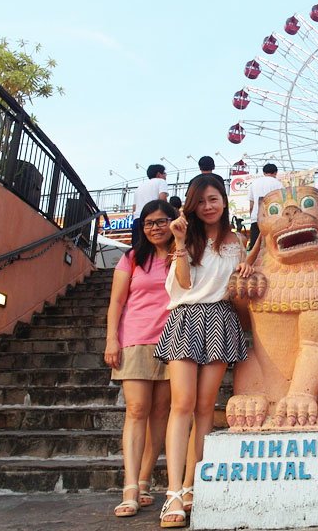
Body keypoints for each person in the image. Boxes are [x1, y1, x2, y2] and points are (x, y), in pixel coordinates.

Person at [154, 176, 252, 528]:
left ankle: (194, 484)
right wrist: (179, 241)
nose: (208, 206)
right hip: (186, 317)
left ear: (224, 201)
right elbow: (181, 283)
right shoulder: (186, 238)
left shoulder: (238, 242)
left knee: (205, 408)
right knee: (181, 405)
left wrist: (246, 270)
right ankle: (174, 492)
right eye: (201, 201)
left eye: (214, 199)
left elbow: (240, 286)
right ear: (192, 206)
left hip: (221, 319)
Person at [105, 200, 177, 517]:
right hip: (135, 339)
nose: (155, 227)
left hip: (174, 341)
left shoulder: (183, 256)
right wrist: (112, 339)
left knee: (161, 413)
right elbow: (116, 302)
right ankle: (130, 486)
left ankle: (146, 478)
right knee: (136, 410)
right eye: (149, 223)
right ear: (142, 227)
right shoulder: (132, 258)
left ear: (173, 223)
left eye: (161, 221)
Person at [247, 163, 283, 251]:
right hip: (273, 219)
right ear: (275, 173)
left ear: (263, 172)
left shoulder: (254, 183)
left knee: (255, 247)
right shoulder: (279, 184)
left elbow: (251, 204)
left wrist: (252, 216)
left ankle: (254, 264)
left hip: (256, 218)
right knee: (272, 248)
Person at [132, 164, 169, 247]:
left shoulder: (139, 187)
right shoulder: (161, 182)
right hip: (152, 220)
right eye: (164, 173)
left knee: (137, 249)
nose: (165, 176)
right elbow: (162, 199)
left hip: (137, 220)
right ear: (159, 174)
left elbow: (134, 208)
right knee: (153, 248)